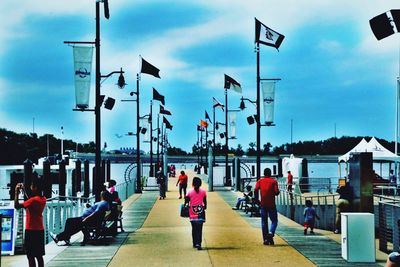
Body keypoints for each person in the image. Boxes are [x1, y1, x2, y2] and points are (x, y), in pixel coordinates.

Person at [14, 179, 46, 267]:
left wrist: (16, 192)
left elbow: (16, 206)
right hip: (40, 229)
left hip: (31, 230)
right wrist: (24, 191)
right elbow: (30, 202)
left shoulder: (33, 200)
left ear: (35, 188)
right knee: (39, 255)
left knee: (30, 255)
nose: (30, 187)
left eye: (32, 186)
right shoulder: (43, 199)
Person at [255, 168, 280, 245]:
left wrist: (256, 200)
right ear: (270, 173)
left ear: (264, 173)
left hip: (263, 204)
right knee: (274, 220)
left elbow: (255, 190)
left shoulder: (260, 181)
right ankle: (271, 232)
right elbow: (276, 192)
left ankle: (265, 239)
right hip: (271, 204)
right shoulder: (274, 181)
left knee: (264, 222)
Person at [185, 177, 207, 250]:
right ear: (200, 184)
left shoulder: (189, 192)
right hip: (200, 213)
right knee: (199, 229)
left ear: (192, 184)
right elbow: (205, 204)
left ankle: (194, 243)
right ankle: (199, 243)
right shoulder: (203, 192)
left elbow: (186, 202)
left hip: (192, 213)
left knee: (194, 229)